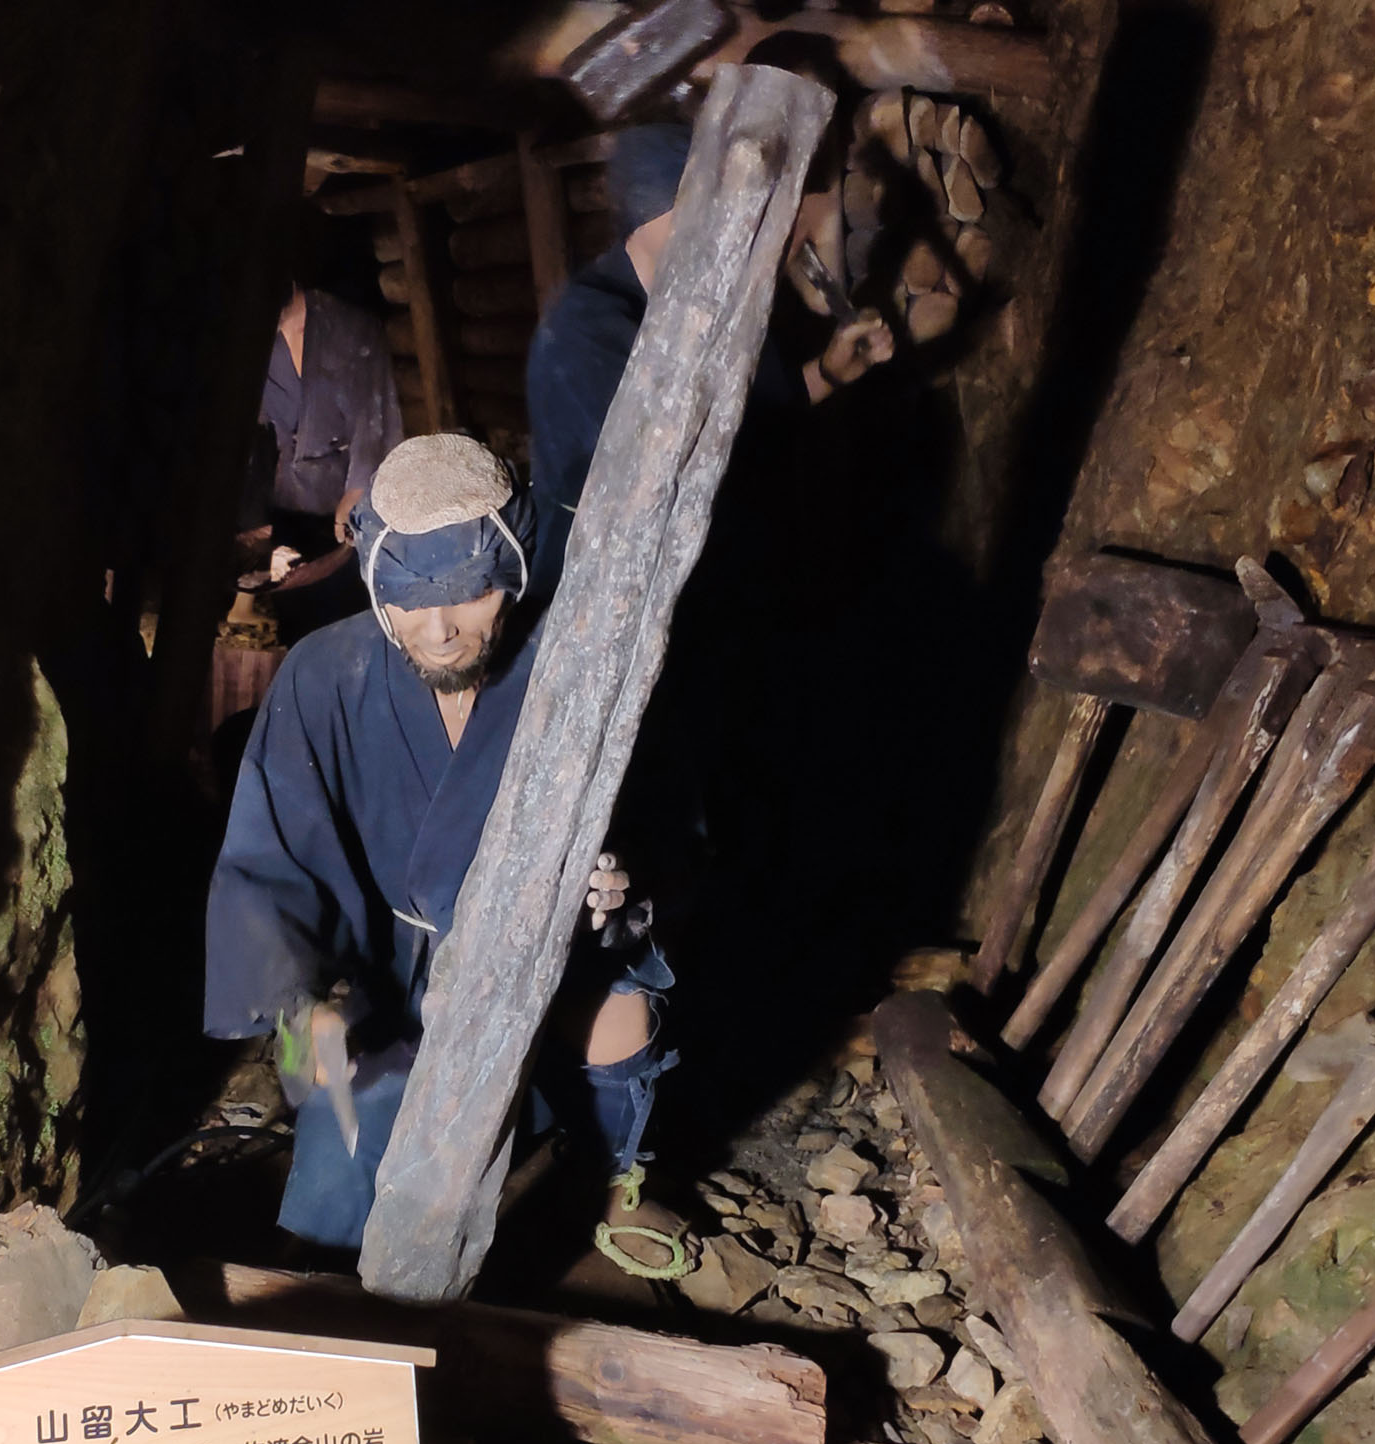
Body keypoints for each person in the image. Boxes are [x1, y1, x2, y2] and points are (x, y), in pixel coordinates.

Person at [204, 434, 678, 1261]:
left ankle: (612, 1184)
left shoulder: (573, 672)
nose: (441, 631)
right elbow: (266, 863)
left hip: (531, 966)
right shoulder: (325, 675)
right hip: (383, 975)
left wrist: (615, 890)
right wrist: (297, 1004)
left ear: (516, 574)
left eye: (468, 596)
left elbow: (666, 829)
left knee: (623, 1013)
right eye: (410, 603)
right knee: (351, 1112)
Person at [524, 121, 895, 598]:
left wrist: (825, 373)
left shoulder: (714, 301)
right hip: (623, 604)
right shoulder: (580, 335)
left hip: (740, 587)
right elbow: (646, 494)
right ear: (654, 214)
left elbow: (752, 410)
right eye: (705, 210)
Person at [253, 278, 404, 645]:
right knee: (296, 625)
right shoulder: (255, 339)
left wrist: (357, 490)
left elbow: (374, 415)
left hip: (343, 511)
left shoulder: (349, 327)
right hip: (286, 506)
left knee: (344, 620)